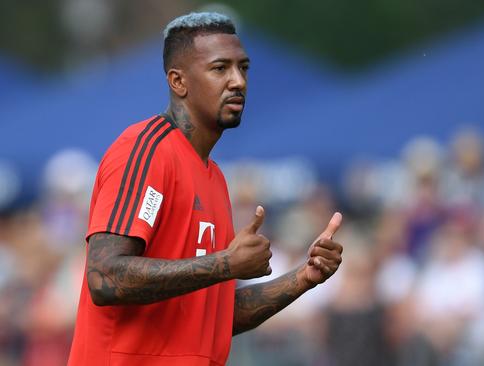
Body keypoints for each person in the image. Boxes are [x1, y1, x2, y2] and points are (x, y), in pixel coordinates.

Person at [67, 12, 344, 366]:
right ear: (178, 81)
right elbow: (104, 277)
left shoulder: (214, 177)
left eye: (243, 68)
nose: (238, 81)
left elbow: (212, 317)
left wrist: (303, 278)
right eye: (220, 69)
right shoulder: (147, 150)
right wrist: (226, 263)